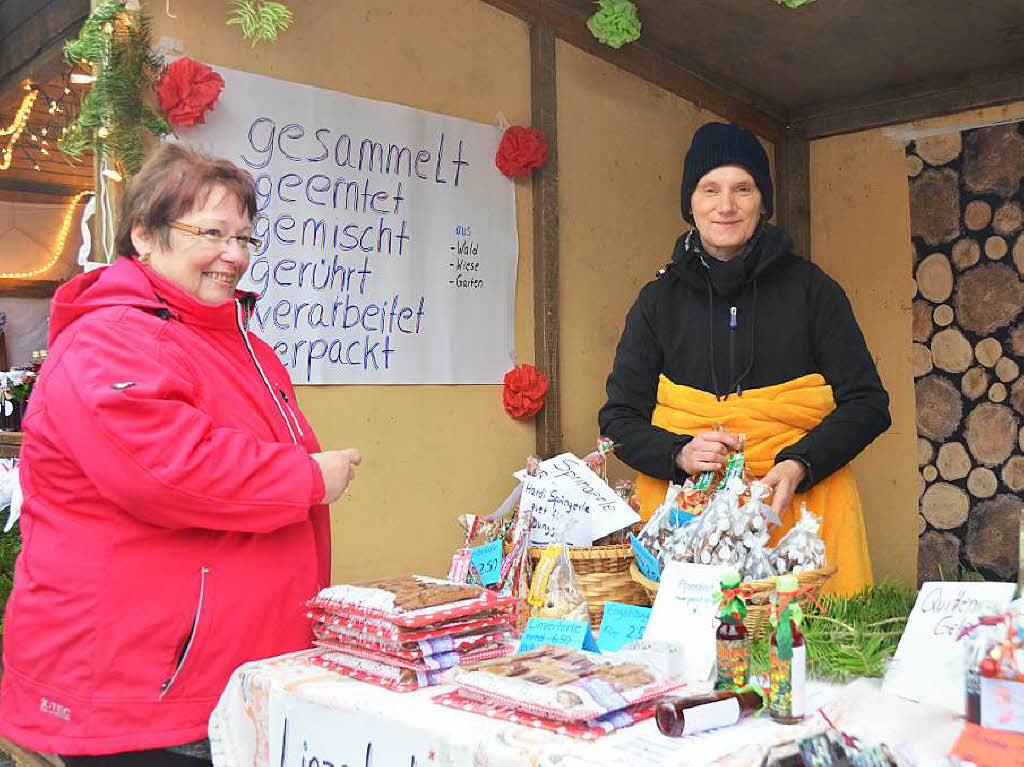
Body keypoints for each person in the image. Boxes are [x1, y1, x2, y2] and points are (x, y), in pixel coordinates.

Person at [0, 144, 361, 764]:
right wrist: (305, 478)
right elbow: (165, 471)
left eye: (244, 238)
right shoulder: (113, 337)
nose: (234, 256)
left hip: (217, 673)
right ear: (144, 234)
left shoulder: (232, 339)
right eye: (212, 234)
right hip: (143, 683)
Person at [599, 122, 890, 595]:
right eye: (710, 189)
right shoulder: (657, 302)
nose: (726, 205)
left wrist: (799, 464)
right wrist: (679, 452)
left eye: (743, 188)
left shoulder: (813, 291)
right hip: (685, 518)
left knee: (808, 657)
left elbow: (868, 404)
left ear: (763, 201)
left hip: (801, 514)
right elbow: (617, 421)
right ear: (690, 203)